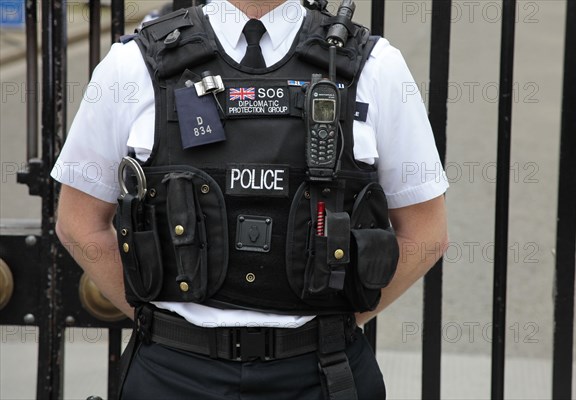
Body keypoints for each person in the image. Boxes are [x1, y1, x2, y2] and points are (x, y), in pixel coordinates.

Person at [52, 0, 449, 398]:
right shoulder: (132, 64)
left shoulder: (376, 65)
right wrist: (160, 321)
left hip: (323, 372)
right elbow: (78, 221)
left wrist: (339, 321)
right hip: (172, 374)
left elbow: (425, 231)